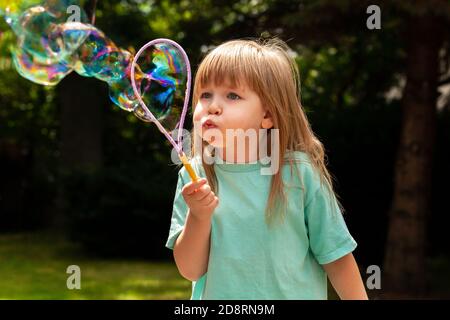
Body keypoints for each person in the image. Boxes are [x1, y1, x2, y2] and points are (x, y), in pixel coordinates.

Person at [166, 37, 368, 300]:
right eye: (205, 94)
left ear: (267, 116)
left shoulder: (298, 173)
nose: (212, 106)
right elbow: (191, 270)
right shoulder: (194, 174)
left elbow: (336, 257)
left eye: (232, 95)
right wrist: (199, 216)